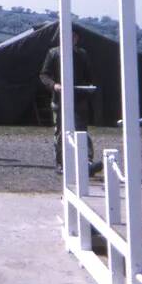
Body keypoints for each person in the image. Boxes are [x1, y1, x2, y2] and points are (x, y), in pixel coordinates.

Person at [39, 29, 101, 175]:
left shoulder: (82, 54)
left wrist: (88, 88)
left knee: (81, 131)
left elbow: (90, 76)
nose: (70, 39)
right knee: (61, 131)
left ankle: (87, 163)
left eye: (73, 37)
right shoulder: (53, 53)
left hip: (79, 99)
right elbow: (44, 74)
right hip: (59, 100)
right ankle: (61, 163)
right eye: (67, 36)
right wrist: (54, 85)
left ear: (77, 39)